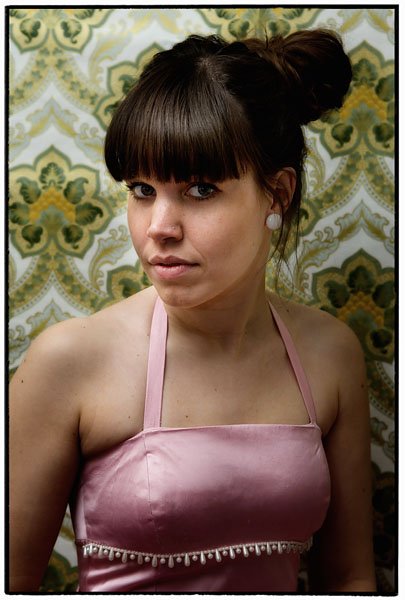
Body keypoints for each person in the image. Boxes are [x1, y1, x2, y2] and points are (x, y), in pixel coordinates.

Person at [9, 29, 376, 593]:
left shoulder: (330, 355)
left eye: (200, 190)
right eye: (141, 189)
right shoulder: (69, 361)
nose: (159, 227)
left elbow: (351, 579)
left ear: (276, 195)